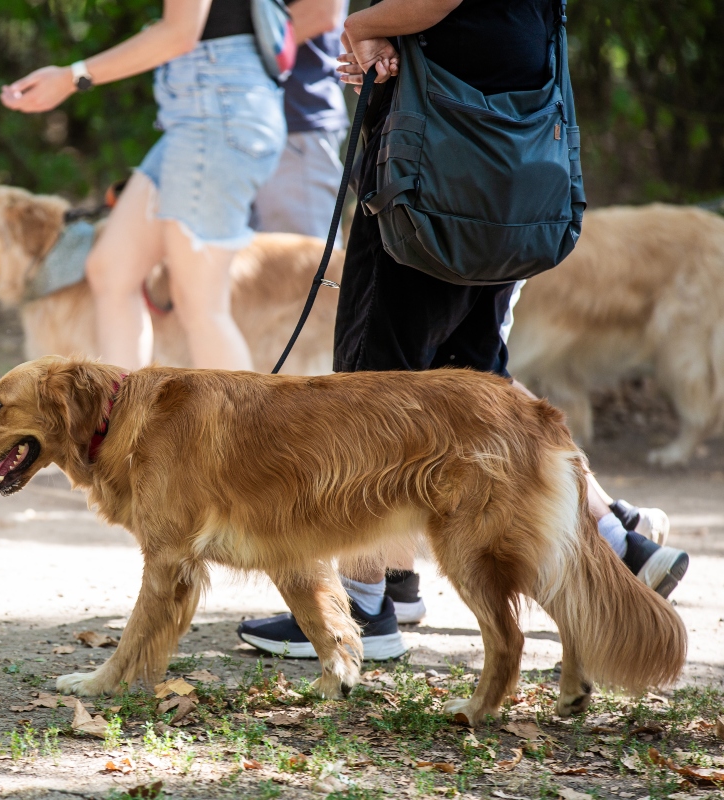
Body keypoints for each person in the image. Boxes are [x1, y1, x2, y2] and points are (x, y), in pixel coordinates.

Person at [236, 0, 690, 662]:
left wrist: (366, 26)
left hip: (436, 175)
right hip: (504, 180)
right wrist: (388, 37)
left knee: (375, 391)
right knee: (478, 390)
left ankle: (363, 610)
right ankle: (610, 545)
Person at [1, 0, 338, 371]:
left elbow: (179, 33)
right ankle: (127, 419)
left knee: (201, 305)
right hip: (199, 109)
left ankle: (235, 429)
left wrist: (71, 77)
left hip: (217, 112)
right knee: (111, 270)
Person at [252, 1, 350, 248]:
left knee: (308, 277)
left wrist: (231, 51)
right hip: (241, 124)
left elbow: (321, 11)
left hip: (295, 125)